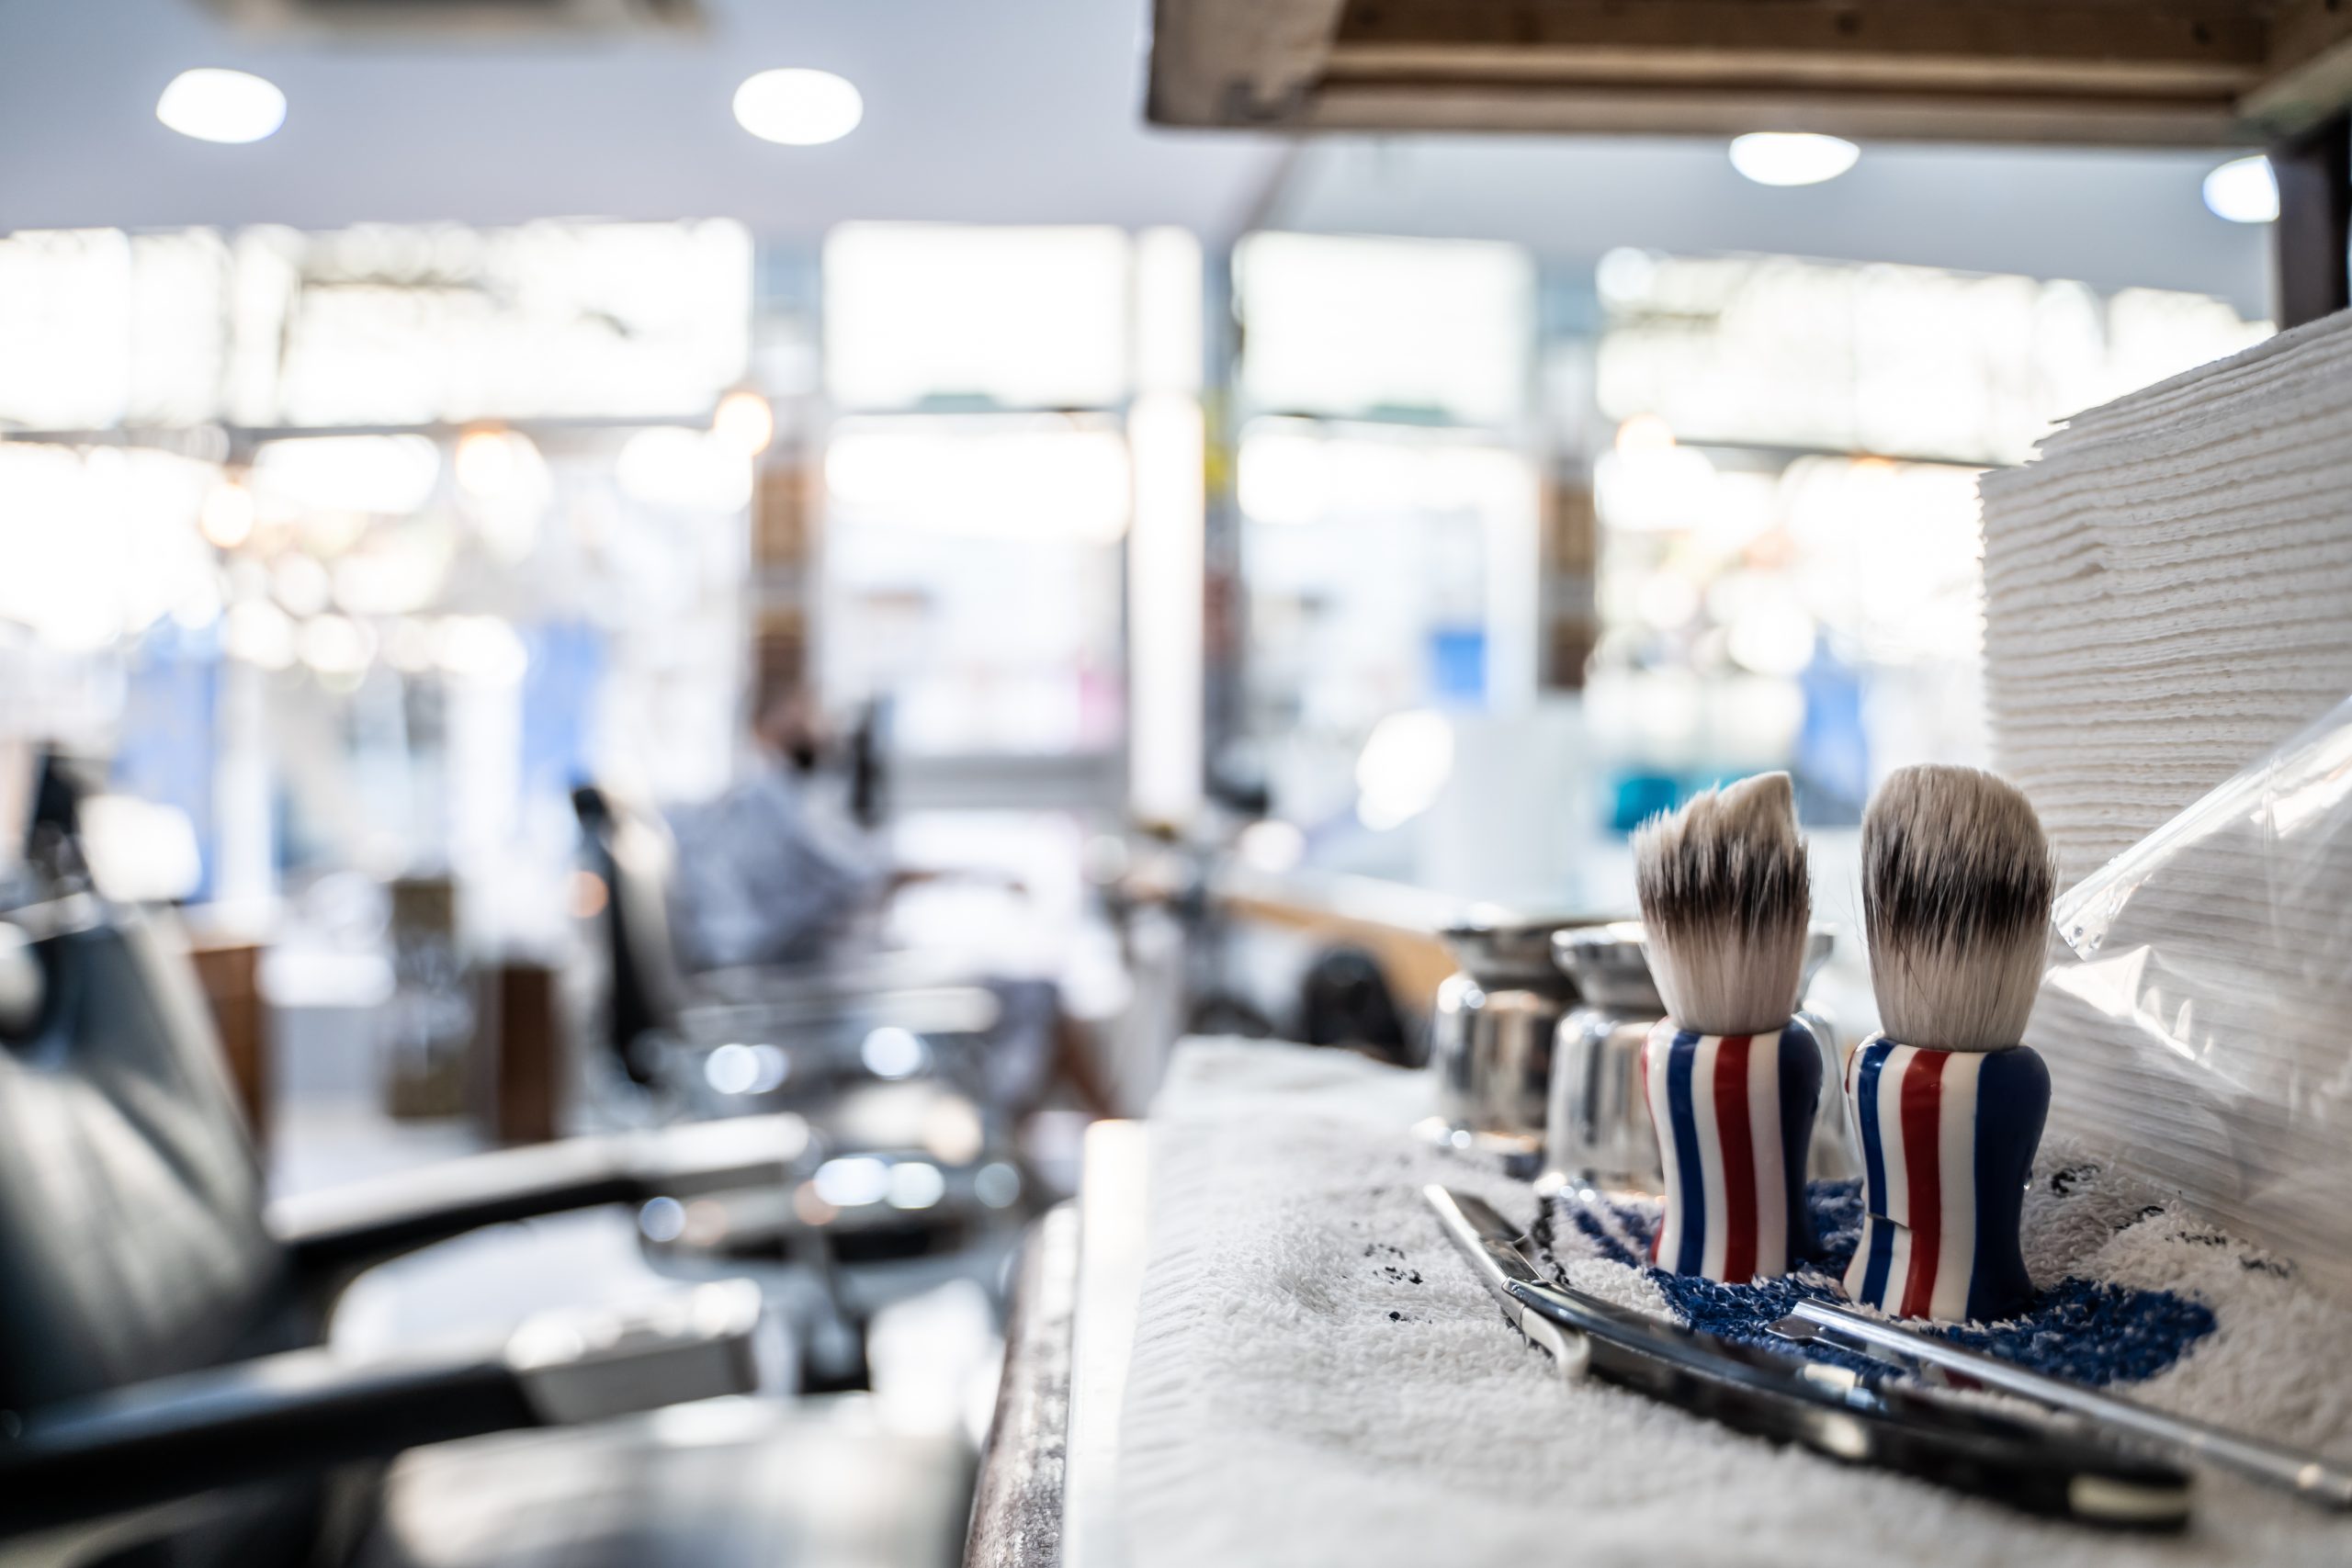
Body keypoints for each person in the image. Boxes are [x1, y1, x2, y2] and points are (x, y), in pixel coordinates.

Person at [664, 687, 1114, 1118]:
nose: (821, 728)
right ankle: (1110, 1129)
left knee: (1026, 996)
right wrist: (978, 874)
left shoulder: (784, 799)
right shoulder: (764, 801)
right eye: (802, 714)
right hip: (811, 1010)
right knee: (1032, 999)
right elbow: (858, 877)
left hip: (828, 991)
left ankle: (1064, 1149)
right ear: (763, 726)